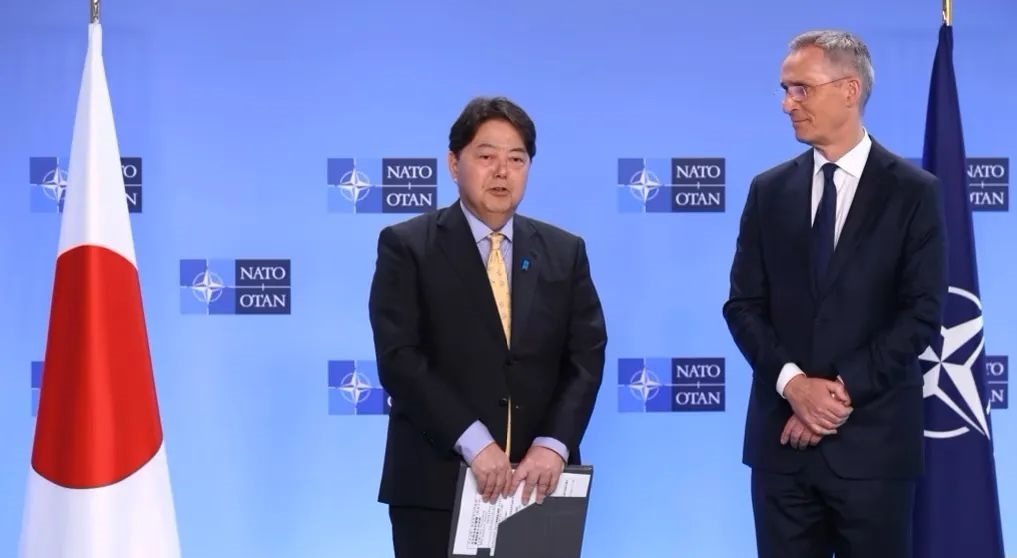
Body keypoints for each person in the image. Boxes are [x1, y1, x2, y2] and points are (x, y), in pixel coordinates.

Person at [722, 30, 947, 558]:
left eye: (801, 89)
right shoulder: (768, 190)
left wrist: (839, 393)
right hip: (781, 451)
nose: (787, 104)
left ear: (849, 90)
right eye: (785, 90)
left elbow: (920, 313)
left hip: (874, 451)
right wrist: (795, 386)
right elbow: (744, 305)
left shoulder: (914, 192)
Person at [368, 96, 607, 558]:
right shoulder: (407, 246)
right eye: (486, 156)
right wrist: (475, 442)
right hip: (436, 486)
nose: (502, 171)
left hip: (538, 487)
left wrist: (553, 445)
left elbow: (586, 357)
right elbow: (400, 359)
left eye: (516, 159)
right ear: (453, 164)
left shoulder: (565, 251)